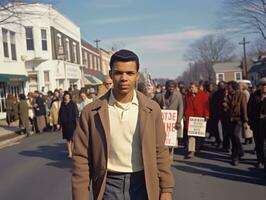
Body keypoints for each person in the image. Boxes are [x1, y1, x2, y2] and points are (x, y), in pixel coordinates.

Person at [72, 49, 174, 200]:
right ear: (111, 74)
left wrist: (166, 189)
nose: (124, 78)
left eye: (130, 73)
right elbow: (81, 158)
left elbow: (160, 151)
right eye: (118, 72)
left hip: (143, 182)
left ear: (137, 76)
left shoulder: (152, 110)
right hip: (108, 185)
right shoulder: (92, 112)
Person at [185, 82, 209, 159]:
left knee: (199, 135)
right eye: (190, 87)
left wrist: (207, 115)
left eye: (192, 87)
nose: (191, 89)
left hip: (200, 116)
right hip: (191, 117)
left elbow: (206, 106)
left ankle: (198, 147)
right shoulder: (188, 95)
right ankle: (191, 151)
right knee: (191, 134)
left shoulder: (203, 95)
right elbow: (186, 106)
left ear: (197, 87)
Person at [226, 81, 248, 166]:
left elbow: (244, 108)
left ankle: (237, 154)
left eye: (229, 87)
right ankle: (237, 153)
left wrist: (245, 121)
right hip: (229, 119)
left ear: (233, 87)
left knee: (235, 135)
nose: (228, 89)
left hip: (238, 119)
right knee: (232, 137)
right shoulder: (227, 95)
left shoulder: (241, 95)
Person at [248, 77, 266, 169]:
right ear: (260, 86)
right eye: (262, 85)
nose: (264, 87)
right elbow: (249, 110)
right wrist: (250, 123)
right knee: (259, 143)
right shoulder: (254, 96)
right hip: (257, 123)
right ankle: (260, 160)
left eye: (265, 85)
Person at [58, 91, 79, 158]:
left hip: (72, 123)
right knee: (68, 139)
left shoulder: (73, 103)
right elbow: (60, 114)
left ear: (70, 97)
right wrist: (59, 123)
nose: (66, 97)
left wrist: (77, 121)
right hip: (65, 124)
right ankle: (69, 153)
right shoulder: (62, 104)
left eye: (67, 96)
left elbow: (76, 113)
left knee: (72, 138)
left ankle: (72, 151)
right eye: (65, 96)